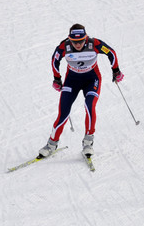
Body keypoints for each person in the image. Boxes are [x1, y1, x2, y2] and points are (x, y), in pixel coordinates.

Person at [38, 24, 123, 159]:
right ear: (69, 39)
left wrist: (116, 70)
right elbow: (55, 60)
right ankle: (51, 144)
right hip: (72, 80)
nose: (78, 44)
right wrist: (57, 79)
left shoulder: (94, 43)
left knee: (89, 106)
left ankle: (88, 143)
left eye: (81, 41)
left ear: (86, 38)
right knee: (63, 113)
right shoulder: (64, 46)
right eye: (74, 42)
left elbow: (111, 52)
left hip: (92, 79)